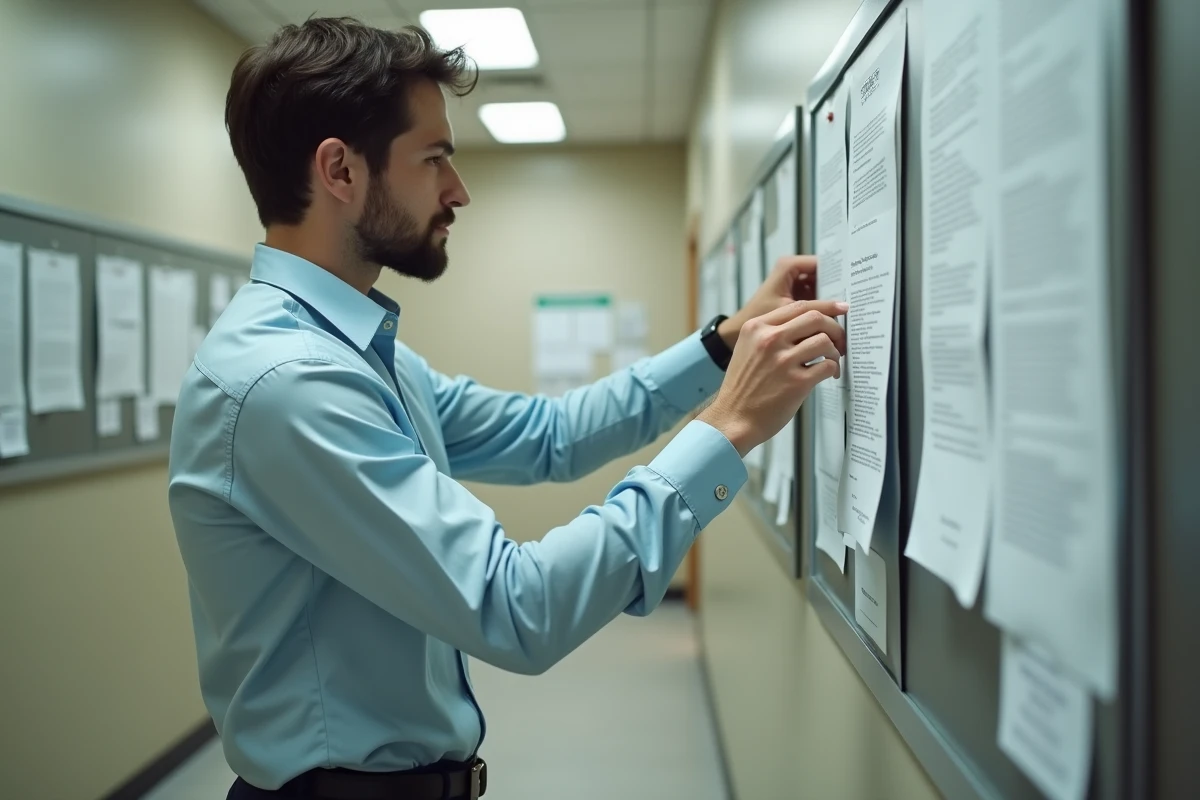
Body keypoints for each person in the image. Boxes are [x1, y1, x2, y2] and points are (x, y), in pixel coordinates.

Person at [167, 16, 846, 800]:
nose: (457, 191)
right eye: (434, 159)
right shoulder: (288, 382)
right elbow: (514, 608)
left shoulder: (351, 350)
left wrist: (723, 347)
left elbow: (548, 436)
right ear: (340, 171)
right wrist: (727, 430)